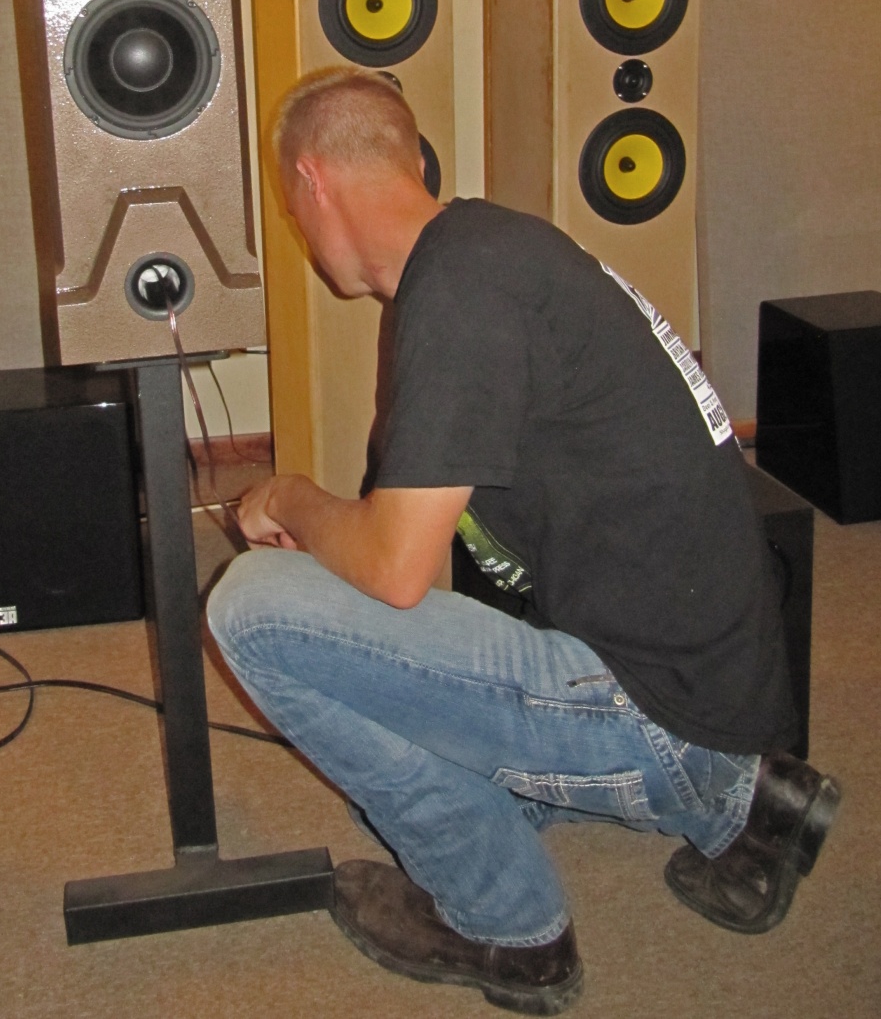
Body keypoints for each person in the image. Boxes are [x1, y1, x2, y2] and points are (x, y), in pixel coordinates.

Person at [207, 66, 840, 1015]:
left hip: (665, 711)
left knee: (251, 610)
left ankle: (504, 926)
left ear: (311, 180)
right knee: (359, 699)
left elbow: (394, 573)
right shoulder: (483, 257)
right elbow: (398, 545)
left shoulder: (460, 293)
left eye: (291, 210)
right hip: (702, 678)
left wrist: (291, 497)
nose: (298, 230)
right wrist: (335, 561)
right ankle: (741, 803)